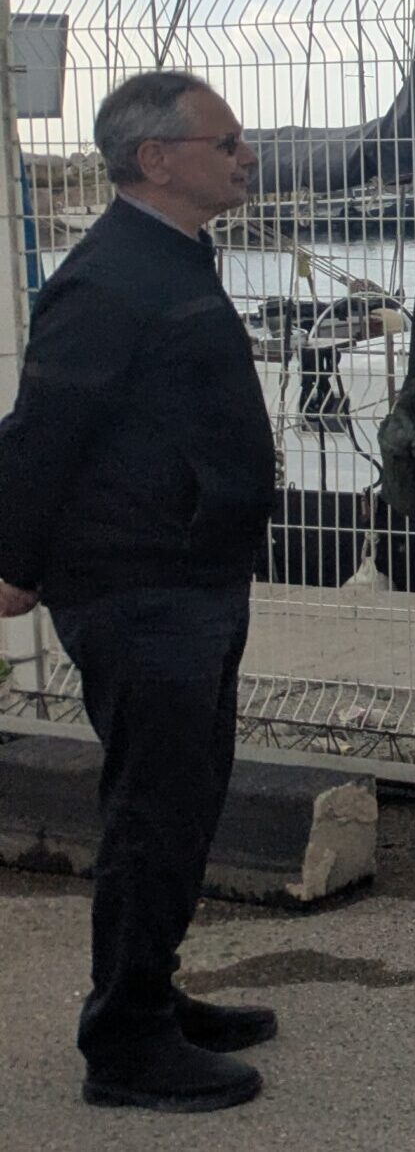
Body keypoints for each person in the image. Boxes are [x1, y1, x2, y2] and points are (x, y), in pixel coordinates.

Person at [0, 72, 278, 1112]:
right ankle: (123, 1041)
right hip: (139, 580)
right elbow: (42, 430)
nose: (244, 154)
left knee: (190, 791)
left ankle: (151, 988)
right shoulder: (109, 278)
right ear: (156, 157)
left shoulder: (173, 256)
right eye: (227, 140)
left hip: (194, 570)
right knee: (153, 807)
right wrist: (15, 563)